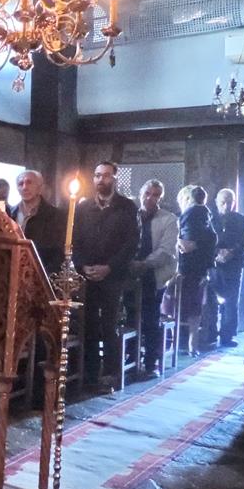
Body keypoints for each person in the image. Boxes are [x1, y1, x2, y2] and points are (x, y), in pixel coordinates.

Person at [72, 162, 140, 389]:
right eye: (98, 175)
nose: (101, 180)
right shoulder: (83, 207)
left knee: (109, 324)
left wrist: (109, 267)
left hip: (113, 276)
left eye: (106, 176)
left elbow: (131, 244)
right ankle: (90, 372)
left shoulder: (127, 207)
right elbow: (74, 241)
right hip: (88, 274)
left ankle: (110, 372)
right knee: (88, 324)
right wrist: (82, 266)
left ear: (115, 179)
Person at [130, 180, 177, 377]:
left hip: (154, 273)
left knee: (150, 318)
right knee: (130, 316)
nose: (150, 198)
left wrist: (144, 264)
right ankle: (130, 358)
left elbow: (166, 250)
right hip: (130, 273)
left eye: (155, 195)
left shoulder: (169, 219)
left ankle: (151, 362)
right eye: (147, 193)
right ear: (141, 194)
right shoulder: (132, 216)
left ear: (160, 198)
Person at [176, 185, 217, 356]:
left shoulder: (193, 213)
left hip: (189, 268)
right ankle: (191, 342)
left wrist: (175, 239)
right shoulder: (205, 214)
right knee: (194, 306)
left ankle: (183, 341)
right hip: (199, 268)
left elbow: (188, 245)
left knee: (185, 305)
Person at [210, 188, 244, 347]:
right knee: (211, 300)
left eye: (229, 202)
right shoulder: (210, 219)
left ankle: (227, 336)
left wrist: (232, 252)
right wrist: (216, 253)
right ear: (216, 202)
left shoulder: (241, 220)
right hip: (213, 264)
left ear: (234, 202)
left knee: (231, 300)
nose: (226, 206)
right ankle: (210, 333)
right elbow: (205, 240)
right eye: (223, 202)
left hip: (234, 265)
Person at [8, 169, 64, 273]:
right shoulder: (9, 214)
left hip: (41, 272)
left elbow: (57, 251)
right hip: (12, 270)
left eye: (29, 182)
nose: (24, 187)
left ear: (40, 188)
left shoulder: (55, 215)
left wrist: (44, 274)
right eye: (20, 184)